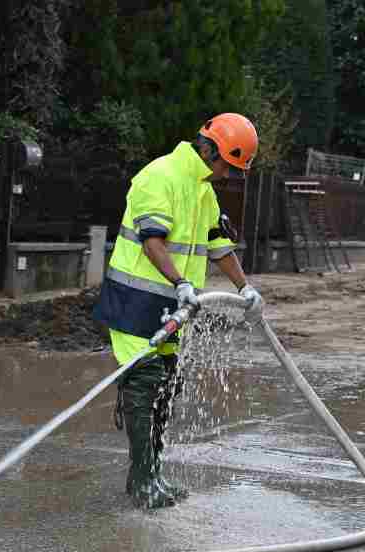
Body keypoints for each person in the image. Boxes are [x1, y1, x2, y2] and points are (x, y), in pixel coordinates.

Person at [92, 113, 264, 509]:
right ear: (211, 150)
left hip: (172, 307)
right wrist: (181, 282)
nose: (227, 175)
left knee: (167, 388)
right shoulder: (160, 176)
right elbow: (153, 241)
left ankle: (153, 472)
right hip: (135, 302)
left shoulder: (203, 190)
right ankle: (141, 481)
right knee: (146, 382)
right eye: (227, 166)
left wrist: (245, 287)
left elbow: (217, 245)